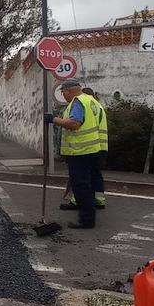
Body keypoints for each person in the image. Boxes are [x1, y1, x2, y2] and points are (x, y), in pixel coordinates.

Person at [45, 78, 102, 229]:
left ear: (68, 91)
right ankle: (88, 216)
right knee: (87, 185)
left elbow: (75, 123)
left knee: (81, 186)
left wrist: (53, 119)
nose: (63, 95)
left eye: (63, 92)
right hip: (92, 150)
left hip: (80, 151)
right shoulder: (90, 100)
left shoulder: (77, 102)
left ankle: (86, 220)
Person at [61, 87, 108, 210]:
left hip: (86, 147)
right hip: (100, 146)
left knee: (81, 178)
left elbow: (75, 124)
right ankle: (99, 199)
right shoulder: (98, 106)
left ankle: (78, 201)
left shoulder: (82, 103)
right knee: (95, 175)